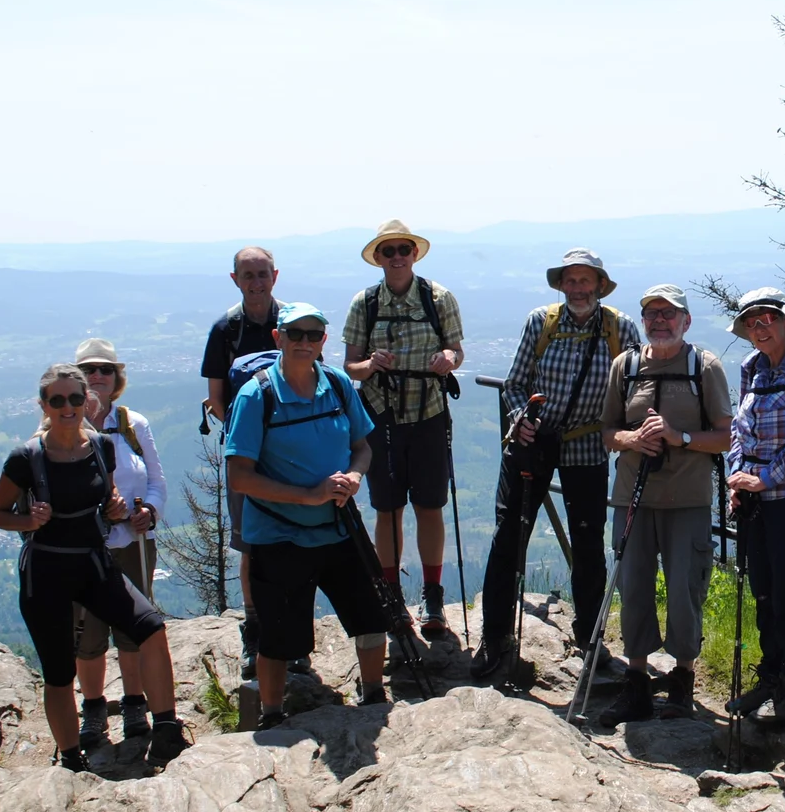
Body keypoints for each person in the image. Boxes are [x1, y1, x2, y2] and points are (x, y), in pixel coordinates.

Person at [0, 364, 188, 771]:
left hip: (94, 562)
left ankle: (165, 730)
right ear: (44, 405)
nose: (67, 407)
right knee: (59, 671)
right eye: (57, 400)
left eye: (75, 398)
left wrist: (113, 506)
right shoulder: (27, 457)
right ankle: (72, 758)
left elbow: (106, 491)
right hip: (46, 571)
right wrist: (28, 522)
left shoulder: (99, 446)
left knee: (151, 627)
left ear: (85, 401)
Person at [228, 302, 401, 728]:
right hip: (278, 534)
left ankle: (373, 695)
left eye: (314, 335)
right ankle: (272, 714)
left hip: (339, 527)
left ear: (324, 340)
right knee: (277, 632)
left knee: (368, 614)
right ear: (278, 338)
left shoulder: (338, 385)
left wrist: (355, 477)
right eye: (295, 334)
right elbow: (239, 477)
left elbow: (363, 447)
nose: (304, 342)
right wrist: (307, 496)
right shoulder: (257, 395)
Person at [474, 250, 643, 682]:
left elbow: (637, 388)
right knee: (509, 537)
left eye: (586, 281)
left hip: (588, 445)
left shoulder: (619, 328)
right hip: (535, 443)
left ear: (600, 285)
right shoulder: (541, 322)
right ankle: (495, 639)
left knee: (587, 545)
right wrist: (520, 422)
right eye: (571, 281)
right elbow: (515, 386)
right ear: (561, 285)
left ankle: (590, 638)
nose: (578, 289)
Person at [596, 285, 733, 726]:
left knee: (684, 591)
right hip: (633, 496)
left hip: (687, 501)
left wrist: (680, 438)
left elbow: (727, 436)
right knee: (632, 587)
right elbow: (607, 432)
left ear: (685, 322)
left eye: (669, 314)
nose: (659, 320)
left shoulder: (704, 367)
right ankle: (636, 681)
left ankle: (682, 677)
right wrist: (633, 440)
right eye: (652, 313)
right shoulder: (627, 365)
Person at [343, 220, 465, 639]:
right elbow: (351, 365)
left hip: (428, 411)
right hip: (380, 414)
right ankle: (391, 595)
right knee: (387, 507)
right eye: (389, 251)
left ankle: (432, 596)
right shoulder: (365, 303)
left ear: (414, 254)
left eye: (404, 250)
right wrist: (371, 365)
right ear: (378, 257)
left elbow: (457, 349)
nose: (397, 257)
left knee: (429, 506)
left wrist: (448, 357)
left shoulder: (438, 298)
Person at [722, 287, 785, 725]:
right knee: (762, 588)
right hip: (753, 498)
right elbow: (737, 431)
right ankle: (770, 673)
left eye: (768, 318)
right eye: (752, 321)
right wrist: (736, 478)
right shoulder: (752, 367)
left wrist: (763, 479)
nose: (760, 327)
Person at [71, 339, 168, 752]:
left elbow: (156, 482)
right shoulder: (63, 424)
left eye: (105, 370)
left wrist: (151, 512)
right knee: (88, 633)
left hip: (132, 541)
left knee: (132, 628)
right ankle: (93, 709)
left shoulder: (133, 424)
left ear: (117, 378)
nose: (97, 377)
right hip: (84, 547)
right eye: (89, 370)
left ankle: (133, 703)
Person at [200, 245, 280, 680]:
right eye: (247, 274)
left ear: (275, 275)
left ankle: (287, 631)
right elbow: (216, 402)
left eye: (262, 273)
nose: (256, 281)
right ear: (235, 280)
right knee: (250, 541)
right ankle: (255, 626)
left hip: (289, 452)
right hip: (246, 455)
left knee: (289, 539)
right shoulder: (225, 330)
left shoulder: (291, 325)